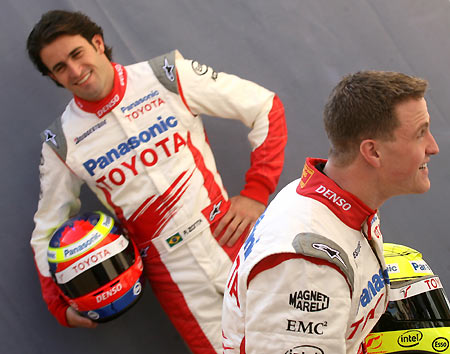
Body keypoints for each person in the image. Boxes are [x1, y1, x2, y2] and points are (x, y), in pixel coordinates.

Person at [27, 10, 287, 354]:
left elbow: (264, 107)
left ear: (98, 43)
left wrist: (257, 191)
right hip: (172, 274)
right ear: (54, 78)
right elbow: (46, 229)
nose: (75, 71)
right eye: (60, 68)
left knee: (303, 338)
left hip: (232, 239)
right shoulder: (61, 142)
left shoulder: (165, 76)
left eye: (77, 54)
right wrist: (60, 306)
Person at [222, 71, 439, 353]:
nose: (433, 147)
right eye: (420, 133)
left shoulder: (341, 202)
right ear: (373, 152)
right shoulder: (308, 266)